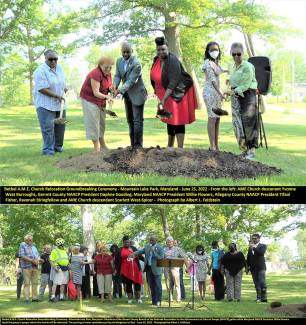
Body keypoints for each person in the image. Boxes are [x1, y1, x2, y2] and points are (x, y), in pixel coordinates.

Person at [150, 36, 197, 148]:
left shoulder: (173, 60)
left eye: (163, 49)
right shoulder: (156, 60)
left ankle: (180, 148)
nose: (161, 52)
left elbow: (173, 82)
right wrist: (158, 94)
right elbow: (154, 78)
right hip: (164, 94)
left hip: (177, 93)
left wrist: (163, 99)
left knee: (178, 120)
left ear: (167, 48)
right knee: (169, 118)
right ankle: (170, 146)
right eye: (159, 50)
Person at [112, 42, 147, 148]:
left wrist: (119, 90)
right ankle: (132, 145)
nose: (126, 54)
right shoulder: (119, 61)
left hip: (137, 95)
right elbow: (117, 75)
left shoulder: (137, 64)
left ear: (132, 51)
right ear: (121, 51)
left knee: (137, 121)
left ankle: (138, 146)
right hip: (127, 95)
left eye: (128, 52)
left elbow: (131, 81)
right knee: (130, 120)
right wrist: (114, 86)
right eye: (124, 52)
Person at [227, 42, 258, 159]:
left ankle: (252, 151)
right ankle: (244, 149)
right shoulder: (232, 66)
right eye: (233, 54)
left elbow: (245, 84)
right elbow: (233, 82)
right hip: (235, 96)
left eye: (238, 54)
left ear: (243, 53)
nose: (236, 57)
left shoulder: (248, 66)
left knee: (248, 122)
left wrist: (233, 91)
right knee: (237, 124)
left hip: (247, 95)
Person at [33, 49, 67, 156]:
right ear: (45, 59)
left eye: (55, 59)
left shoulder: (60, 68)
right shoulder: (40, 71)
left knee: (60, 127)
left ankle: (57, 147)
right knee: (48, 128)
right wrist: (56, 95)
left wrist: (64, 89)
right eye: (50, 59)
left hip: (60, 104)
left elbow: (62, 82)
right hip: (45, 104)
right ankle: (48, 150)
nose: (53, 61)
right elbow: (42, 88)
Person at [80, 56, 115, 151]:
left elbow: (108, 85)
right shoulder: (95, 74)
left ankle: (103, 145)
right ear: (100, 65)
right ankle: (97, 148)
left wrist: (111, 89)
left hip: (101, 101)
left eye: (110, 67)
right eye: (106, 67)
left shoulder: (108, 74)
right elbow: (96, 92)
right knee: (93, 123)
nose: (108, 69)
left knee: (101, 123)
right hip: (90, 100)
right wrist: (107, 97)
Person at [202, 41, 228, 151]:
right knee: (212, 118)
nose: (214, 51)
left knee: (217, 119)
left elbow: (221, 71)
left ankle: (216, 146)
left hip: (217, 94)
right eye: (212, 50)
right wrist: (220, 93)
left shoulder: (216, 63)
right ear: (208, 52)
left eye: (216, 49)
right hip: (210, 93)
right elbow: (212, 80)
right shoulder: (207, 63)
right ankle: (212, 146)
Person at [131, 235, 165, 306]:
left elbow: (161, 258)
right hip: (148, 269)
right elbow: (141, 251)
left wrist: (154, 252)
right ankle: (154, 301)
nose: (151, 241)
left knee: (158, 285)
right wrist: (134, 253)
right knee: (151, 285)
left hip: (156, 269)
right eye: (150, 240)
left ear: (156, 241)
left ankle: (159, 301)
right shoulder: (147, 246)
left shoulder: (160, 248)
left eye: (152, 240)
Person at [118, 235, 143, 304]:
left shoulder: (133, 248)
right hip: (125, 270)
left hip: (135, 269)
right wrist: (117, 269)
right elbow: (117, 260)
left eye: (128, 242)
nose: (127, 244)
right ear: (123, 242)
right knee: (128, 284)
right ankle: (130, 298)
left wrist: (145, 261)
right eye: (125, 242)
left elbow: (140, 256)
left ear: (130, 242)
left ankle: (138, 298)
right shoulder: (120, 249)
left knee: (137, 283)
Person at [163, 236, 188, 303]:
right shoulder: (164, 249)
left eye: (170, 241)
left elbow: (185, 257)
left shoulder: (178, 249)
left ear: (173, 242)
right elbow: (161, 258)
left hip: (175, 267)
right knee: (168, 283)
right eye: (167, 242)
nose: (169, 243)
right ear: (166, 243)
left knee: (177, 283)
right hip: (166, 267)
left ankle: (178, 297)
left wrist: (187, 267)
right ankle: (170, 297)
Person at [18, 234, 40, 303]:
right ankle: (27, 299)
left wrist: (38, 260)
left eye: (32, 239)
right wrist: (32, 261)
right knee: (27, 283)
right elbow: (22, 255)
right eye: (30, 240)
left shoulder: (34, 247)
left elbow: (38, 255)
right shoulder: (22, 245)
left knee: (35, 283)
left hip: (35, 267)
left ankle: (34, 298)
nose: (31, 241)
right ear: (26, 240)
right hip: (26, 267)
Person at [247, 234, 268, 303]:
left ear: (259, 238)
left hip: (261, 267)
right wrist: (248, 267)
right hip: (253, 268)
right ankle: (258, 297)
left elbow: (261, 253)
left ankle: (264, 297)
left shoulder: (263, 246)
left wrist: (253, 247)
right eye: (253, 238)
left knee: (262, 282)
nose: (254, 240)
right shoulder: (250, 248)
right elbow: (248, 258)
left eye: (255, 238)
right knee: (256, 284)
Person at [49, 238, 70, 302]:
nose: (64, 245)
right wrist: (55, 267)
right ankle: (52, 297)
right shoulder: (54, 251)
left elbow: (66, 259)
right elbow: (51, 260)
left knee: (63, 283)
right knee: (55, 283)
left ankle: (61, 297)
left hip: (65, 268)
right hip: (58, 267)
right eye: (63, 244)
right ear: (60, 244)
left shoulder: (65, 251)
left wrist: (68, 266)